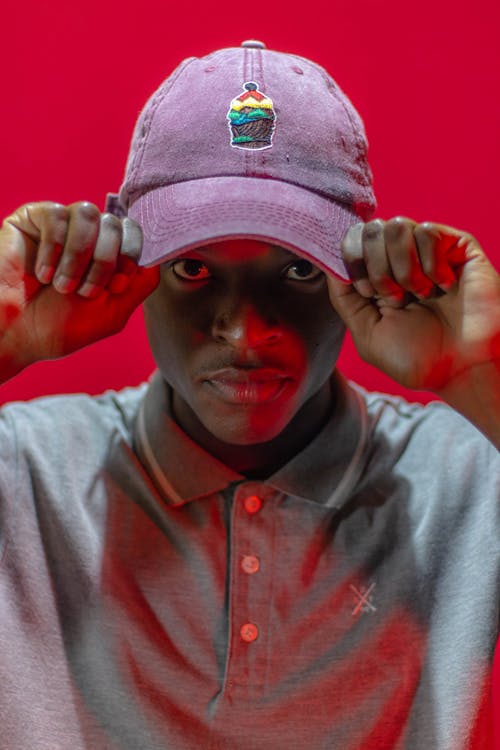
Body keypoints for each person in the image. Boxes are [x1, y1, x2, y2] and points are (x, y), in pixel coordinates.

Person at [0, 40, 498, 750]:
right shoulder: (22, 470)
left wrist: (486, 378)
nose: (244, 329)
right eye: (194, 266)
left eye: (297, 269)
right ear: (123, 262)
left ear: (361, 270)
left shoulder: (472, 475)